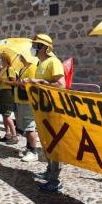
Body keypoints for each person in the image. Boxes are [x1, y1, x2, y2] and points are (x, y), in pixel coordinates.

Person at [24, 34, 66, 192]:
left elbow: (61, 85)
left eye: (37, 45)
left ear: (45, 47)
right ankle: (49, 172)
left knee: (54, 144)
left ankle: (55, 180)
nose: (34, 48)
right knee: (47, 142)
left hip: (53, 109)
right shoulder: (41, 63)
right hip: (43, 109)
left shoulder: (53, 62)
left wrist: (43, 82)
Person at [13, 52, 39, 162]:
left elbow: (31, 85)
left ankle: (33, 151)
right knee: (25, 126)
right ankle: (29, 147)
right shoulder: (24, 68)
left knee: (29, 126)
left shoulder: (32, 67)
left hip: (27, 100)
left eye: (21, 55)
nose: (19, 57)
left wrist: (19, 84)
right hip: (21, 99)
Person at [0, 53, 18, 145]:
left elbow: (14, 83)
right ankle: (7, 134)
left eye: (0, 58)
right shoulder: (2, 69)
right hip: (2, 92)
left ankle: (14, 136)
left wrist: (3, 81)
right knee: (3, 114)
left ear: (5, 59)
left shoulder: (10, 69)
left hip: (8, 93)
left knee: (7, 115)